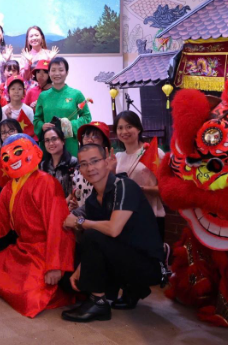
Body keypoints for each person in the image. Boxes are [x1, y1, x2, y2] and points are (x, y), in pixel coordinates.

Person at [0, 134, 76, 318]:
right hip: (23, 248)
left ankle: (60, 288)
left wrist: (55, 266)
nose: (11, 159)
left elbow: (57, 226)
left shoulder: (46, 182)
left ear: (35, 152)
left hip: (45, 251)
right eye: (6, 157)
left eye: (18, 152)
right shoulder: (8, 188)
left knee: (28, 299)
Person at [62, 144, 164, 322]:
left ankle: (99, 302)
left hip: (148, 266)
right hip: (124, 257)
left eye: (95, 161)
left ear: (106, 162)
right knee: (69, 279)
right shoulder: (93, 200)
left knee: (92, 234)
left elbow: (113, 229)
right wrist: (81, 269)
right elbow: (97, 245)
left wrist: (79, 222)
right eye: (84, 164)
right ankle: (131, 290)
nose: (90, 168)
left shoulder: (124, 186)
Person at [112, 111, 166, 239]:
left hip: (151, 215)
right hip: (126, 217)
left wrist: (140, 189)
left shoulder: (154, 153)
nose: (124, 131)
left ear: (139, 128)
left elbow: (166, 189)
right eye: (120, 128)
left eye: (129, 126)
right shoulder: (118, 157)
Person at [34, 57, 91, 156]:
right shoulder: (43, 96)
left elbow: (87, 117)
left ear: (67, 72)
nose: (57, 73)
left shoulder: (76, 94)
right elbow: (37, 119)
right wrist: (42, 126)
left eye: (61, 70)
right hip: (49, 143)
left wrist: (70, 125)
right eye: (53, 70)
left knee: (70, 165)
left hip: (69, 142)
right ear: (49, 73)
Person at [39, 126, 78, 198]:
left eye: (54, 139)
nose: (51, 143)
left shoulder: (73, 162)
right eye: (47, 140)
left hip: (69, 203)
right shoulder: (43, 165)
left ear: (63, 141)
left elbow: (76, 189)